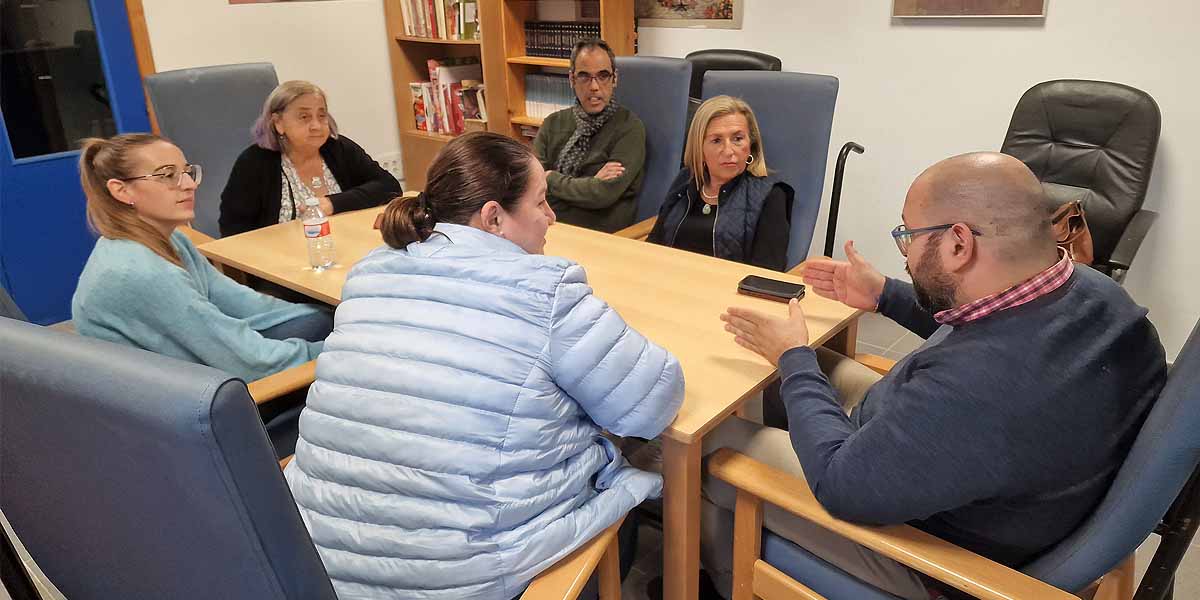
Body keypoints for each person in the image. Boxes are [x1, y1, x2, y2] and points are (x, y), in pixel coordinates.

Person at [703, 152, 1166, 599]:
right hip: (958, 462)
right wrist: (885, 295)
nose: (904, 254)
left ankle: (723, 574)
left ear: (958, 243)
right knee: (799, 370)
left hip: (927, 551)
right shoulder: (1097, 294)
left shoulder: (977, 390)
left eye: (908, 235)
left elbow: (840, 487)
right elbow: (989, 321)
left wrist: (794, 358)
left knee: (711, 441)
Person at [284, 131, 684, 599]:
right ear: (493, 217)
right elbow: (653, 403)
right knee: (633, 462)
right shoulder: (544, 289)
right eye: (540, 203)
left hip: (317, 557)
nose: (551, 217)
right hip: (456, 578)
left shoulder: (373, 269)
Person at [72, 134, 332, 456]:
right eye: (167, 175)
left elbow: (244, 303)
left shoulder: (167, 238)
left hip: (192, 381)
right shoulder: (139, 272)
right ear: (121, 190)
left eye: (186, 171)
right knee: (347, 396)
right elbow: (249, 361)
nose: (188, 184)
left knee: (323, 322)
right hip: (177, 429)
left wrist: (333, 322)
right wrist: (339, 353)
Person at [219, 80, 401, 237]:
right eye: (304, 117)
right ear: (278, 123)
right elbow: (233, 231)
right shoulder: (254, 163)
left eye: (321, 116)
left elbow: (389, 186)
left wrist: (333, 203)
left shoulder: (338, 148)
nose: (316, 125)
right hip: (278, 264)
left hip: (341, 247)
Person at [647, 95, 793, 271]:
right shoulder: (686, 181)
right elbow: (653, 246)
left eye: (737, 139)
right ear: (699, 147)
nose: (729, 151)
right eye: (716, 140)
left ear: (751, 145)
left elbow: (767, 274)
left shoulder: (770, 195)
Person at [533, 38, 646, 233]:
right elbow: (531, 185)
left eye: (603, 76)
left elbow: (603, 195)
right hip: (548, 226)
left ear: (615, 79)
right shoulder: (553, 123)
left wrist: (551, 178)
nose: (594, 86)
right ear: (572, 79)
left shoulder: (629, 128)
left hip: (600, 234)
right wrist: (590, 183)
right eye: (585, 77)